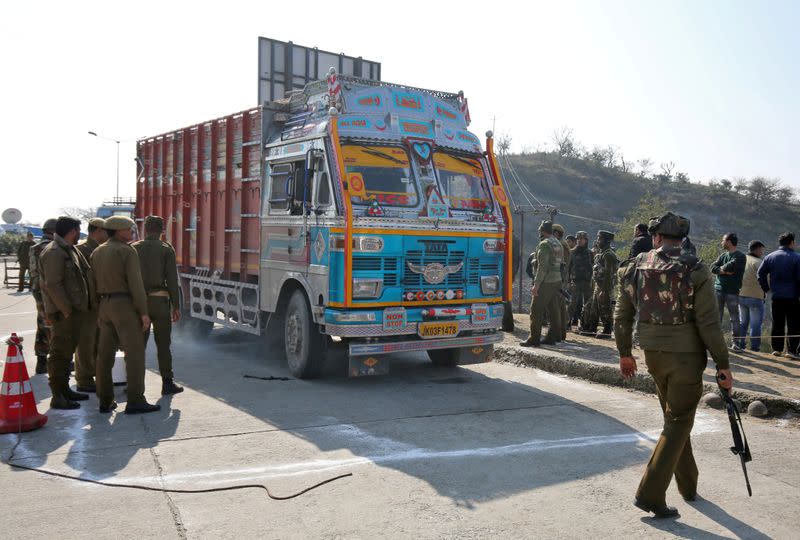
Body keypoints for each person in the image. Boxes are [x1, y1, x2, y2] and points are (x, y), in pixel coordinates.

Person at [615, 212, 732, 518]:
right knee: (679, 421)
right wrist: (724, 364)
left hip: (652, 353)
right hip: (686, 358)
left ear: (655, 238)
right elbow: (708, 323)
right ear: (683, 239)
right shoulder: (695, 269)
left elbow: (621, 316)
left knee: (675, 420)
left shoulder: (635, 266)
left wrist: (625, 353)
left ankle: (688, 485)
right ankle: (650, 494)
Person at [91, 215, 160, 414]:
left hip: (104, 305)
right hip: (124, 305)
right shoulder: (126, 251)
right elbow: (136, 285)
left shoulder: (98, 251)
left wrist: (98, 309)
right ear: (119, 230)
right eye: (129, 229)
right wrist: (144, 313)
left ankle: (105, 400)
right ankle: (135, 399)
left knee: (104, 356)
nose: (131, 232)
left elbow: (91, 284)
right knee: (135, 354)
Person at [39, 216, 95, 409]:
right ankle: (58, 396)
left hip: (74, 312)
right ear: (72, 232)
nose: (79, 234)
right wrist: (66, 310)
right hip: (65, 314)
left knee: (67, 354)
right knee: (59, 354)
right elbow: (52, 284)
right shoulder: (55, 252)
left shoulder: (69, 250)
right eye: (78, 230)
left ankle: (64, 390)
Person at [133, 215, 184, 395]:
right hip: (160, 302)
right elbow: (171, 279)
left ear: (145, 229)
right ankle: (167, 383)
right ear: (162, 230)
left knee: (138, 346)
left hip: (139, 304)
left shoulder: (133, 249)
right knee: (163, 345)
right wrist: (176, 306)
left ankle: (134, 385)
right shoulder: (166, 249)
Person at [71, 217, 107, 392]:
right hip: (87, 303)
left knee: (99, 341)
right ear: (97, 231)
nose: (108, 234)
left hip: (100, 302)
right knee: (85, 342)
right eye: (105, 231)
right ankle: (84, 379)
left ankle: (92, 374)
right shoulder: (81, 250)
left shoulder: (102, 249)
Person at [757, 232, 800, 359]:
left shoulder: (770, 257)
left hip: (776, 296)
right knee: (794, 324)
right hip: (793, 296)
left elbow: (760, 274)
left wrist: (766, 289)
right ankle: (791, 351)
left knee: (777, 323)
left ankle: (777, 349)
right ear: (792, 242)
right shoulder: (797, 258)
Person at [520, 220, 563, 347]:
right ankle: (552, 337)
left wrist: (536, 285)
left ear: (542, 231)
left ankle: (534, 339)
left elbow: (542, 267)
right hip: (557, 280)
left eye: (540, 231)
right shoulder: (557, 242)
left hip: (546, 281)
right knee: (554, 309)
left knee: (536, 310)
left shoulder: (544, 244)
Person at [29, 218, 57, 374]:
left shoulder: (35, 247)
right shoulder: (50, 247)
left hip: (37, 289)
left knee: (42, 325)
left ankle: (41, 360)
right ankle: (53, 361)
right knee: (53, 325)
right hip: (48, 291)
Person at [710, 233, 747, 350]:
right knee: (717, 317)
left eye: (723, 240)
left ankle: (735, 343)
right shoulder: (722, 255)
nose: (722, 242)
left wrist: (721, 270)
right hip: (719, 290)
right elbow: (712, 268)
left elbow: (729, 267)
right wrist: (724, 271)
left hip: (732, 291)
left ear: (729, 242)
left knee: (734, 318)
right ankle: (715, 342)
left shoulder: (741, 256)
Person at [584, 231, 618, 339]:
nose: (598, 241)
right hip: (598, 286)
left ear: (606, 240)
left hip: (605, 287)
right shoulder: (601, 254)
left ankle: (607, 331)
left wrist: (604, 290)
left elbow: (609, 274)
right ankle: (592, 329)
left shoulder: (609, 255)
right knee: (594, 308)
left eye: (600, 239)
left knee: (605, 309)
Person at [738, 240, 766, 352]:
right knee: (755, 324)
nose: (762, 252)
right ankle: (754, 347)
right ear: (757, 249)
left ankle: (739, 343)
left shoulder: (741, 260)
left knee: (742, 322)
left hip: (740, 295)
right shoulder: (758, 262)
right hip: (755, 296)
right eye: (762, 250)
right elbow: (765, 279)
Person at [569, 231, 593, 327]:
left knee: (587, 304)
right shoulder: (572, 252)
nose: (579, 241)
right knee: (572, 303)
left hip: (587, 281)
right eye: (578, 239)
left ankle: (585, 324)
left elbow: (592, 267)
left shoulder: (590, 253)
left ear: (586, 240)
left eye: (581, 239)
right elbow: (568, 267)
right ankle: (567, 322)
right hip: (575, 281)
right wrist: (568, 281)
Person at [552, 224, 571, 337]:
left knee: (558, 305)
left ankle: (559, 332)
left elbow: (562, 265)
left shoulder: (561, 245)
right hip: (562, 277)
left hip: (560, 277)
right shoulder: (562, 244)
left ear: (556, 233)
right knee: (561, 305)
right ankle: (561, 332)